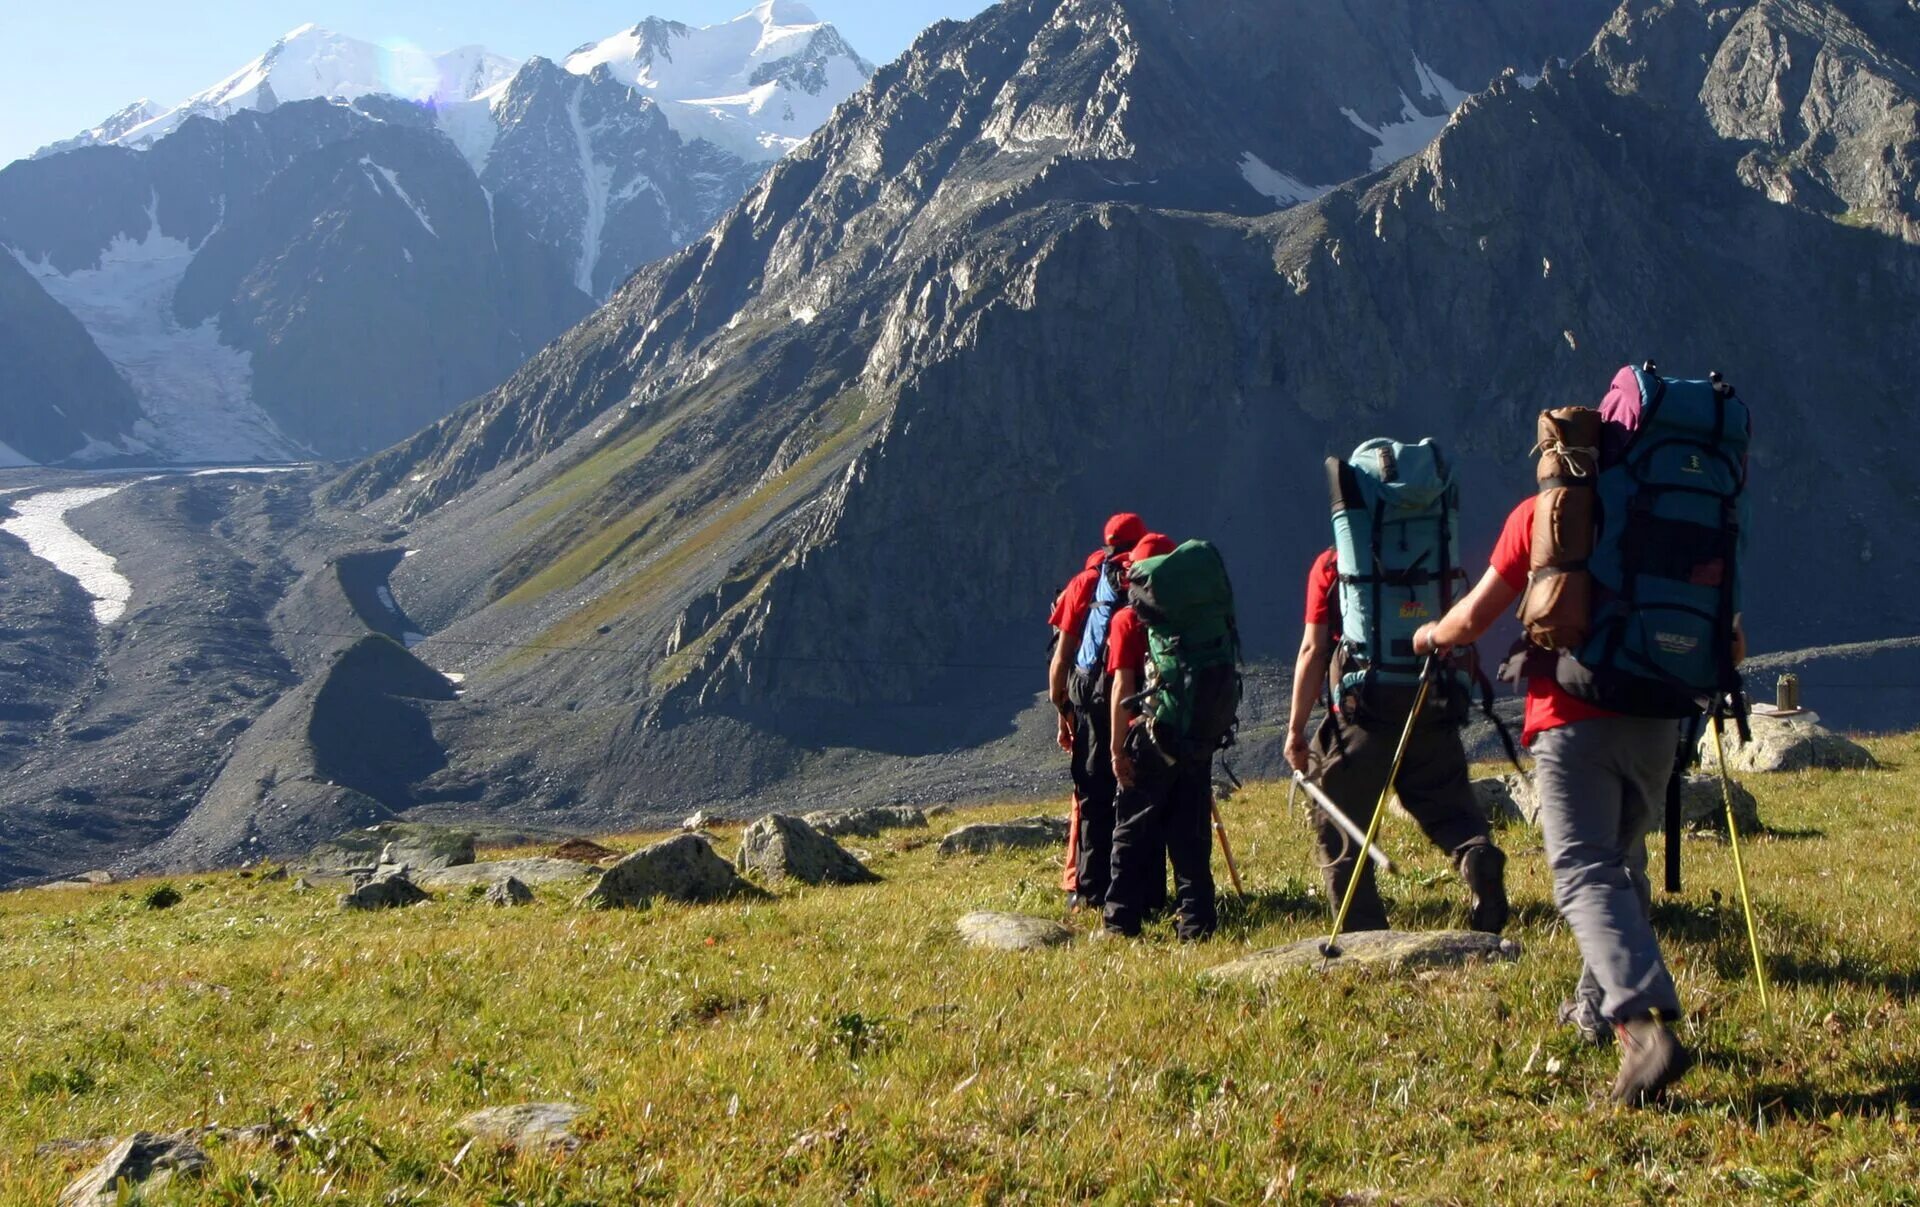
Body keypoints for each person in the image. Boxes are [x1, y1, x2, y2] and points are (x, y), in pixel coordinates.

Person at [1411, 502, 1726, 1106]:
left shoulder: (1548, 512)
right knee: (1621, 863)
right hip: (1659, 718)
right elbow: (1729, 637)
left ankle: (1640, 1027)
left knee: (1583, 872)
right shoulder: (1684, 511)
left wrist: (1428, 634)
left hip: (1573, 717)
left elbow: (1474, 618)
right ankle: (1591, 1010)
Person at [1284, 467, 1510, 937]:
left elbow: (1313, 650)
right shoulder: (1434, 555)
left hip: (1366, 708)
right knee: (1444, 801)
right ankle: (1475, 855)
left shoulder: (1336, 568)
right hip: (1433, 693)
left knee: (1338, 817)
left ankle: (1363, 933)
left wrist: (1295, 731)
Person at [1103, 532, 1217, 942]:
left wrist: (1117, 750)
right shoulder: (1199, 614)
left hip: (1150, 735)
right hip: (1197, 735)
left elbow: (1122, 688)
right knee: (1191, 835)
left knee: (1132, 830)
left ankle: (1120, 923)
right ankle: (1197, 925)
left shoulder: (1128, 620)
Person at [1047, 513, 1148, 908]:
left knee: (1093, 798)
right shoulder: (1149, 577)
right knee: (1138, 793)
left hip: (1091, 703)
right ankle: (1138, 890)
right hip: (1139, 699)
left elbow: (1062, 658)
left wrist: (1063, 709)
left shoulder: (1085, 583)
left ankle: (1090, 893)